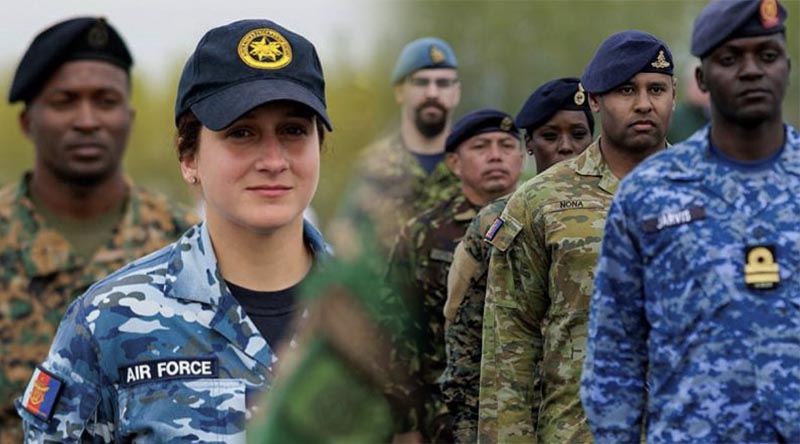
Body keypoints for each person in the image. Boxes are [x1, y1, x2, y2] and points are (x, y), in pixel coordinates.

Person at [15, 18, 332, 442]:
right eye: (242, 133)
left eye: (294, 131)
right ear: (189, 156)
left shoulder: (388, 309)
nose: (273, 160)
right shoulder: (108, 320)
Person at [582, 1, 799, 442]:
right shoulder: (649, 193)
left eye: (767, 55)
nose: (752, 70)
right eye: (730, 58)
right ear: (701, 79)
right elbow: (615, 351)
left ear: (787, 68)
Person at [0, 16, 197, 441]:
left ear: (129, 116)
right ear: (27, 121)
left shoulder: (190, 245)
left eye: (105, 101)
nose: (87, 120)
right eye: (64, 101)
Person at [482, 30, 675, 443]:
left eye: (656, 88)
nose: (644, 103)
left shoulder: (709, 194)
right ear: (594, 100)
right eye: (626, 90)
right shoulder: (539, 201)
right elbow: (508, 347)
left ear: (673, 95)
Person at [440, 77, 594, 444]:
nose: (566, 147)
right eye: (550, 136)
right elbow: (465, 343)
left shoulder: (623, 206)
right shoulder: (497, 222)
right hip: (525, 420)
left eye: (578, 134)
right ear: (530, 146)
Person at [385, 108, 525, 443]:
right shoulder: (423, 233)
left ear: (521, 157)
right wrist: (406, 424)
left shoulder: (546, 222)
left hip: (528, 413)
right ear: (454, 163)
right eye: (480, 147)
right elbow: (397, 331)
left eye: (506, 146)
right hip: (446, 418)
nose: (495, 156)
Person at [327, 37, 461, 256]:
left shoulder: (478, 163)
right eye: (421, 82)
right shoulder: (372, 167)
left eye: (443, 83)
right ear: (400, 91)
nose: (433, 93)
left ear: (457, 91)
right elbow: (343, 237)